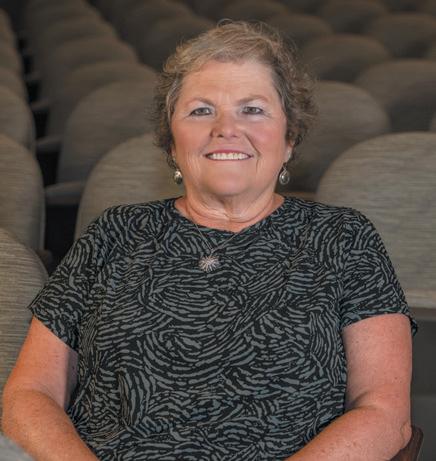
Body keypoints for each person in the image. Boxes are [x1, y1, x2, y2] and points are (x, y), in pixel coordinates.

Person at [2, 21, 416, 460]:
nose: (226, 128)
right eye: (201, 110)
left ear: (289, 138)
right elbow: (29, 394)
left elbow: (383, 411)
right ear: (172, 143)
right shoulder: (114, 233)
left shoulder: (344, 238)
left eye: (252, 109)